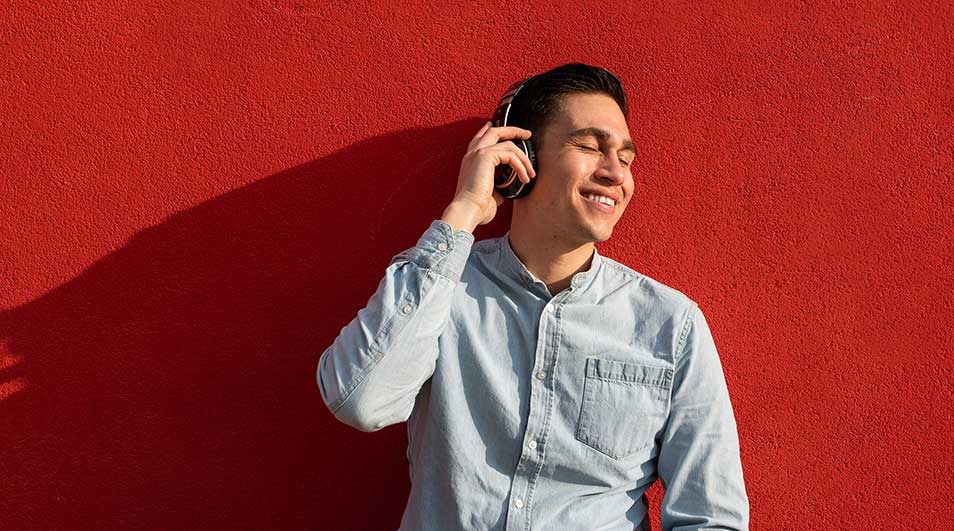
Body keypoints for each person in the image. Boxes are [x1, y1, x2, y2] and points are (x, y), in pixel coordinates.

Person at [317, 63, 749, 530]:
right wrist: (465, 209)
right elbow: (360, 401)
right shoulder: (441, 287)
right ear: (520, 158)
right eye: (590, 147)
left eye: (625, 158)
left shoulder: (671, 324)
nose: (615, 173)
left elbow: (711, 517)